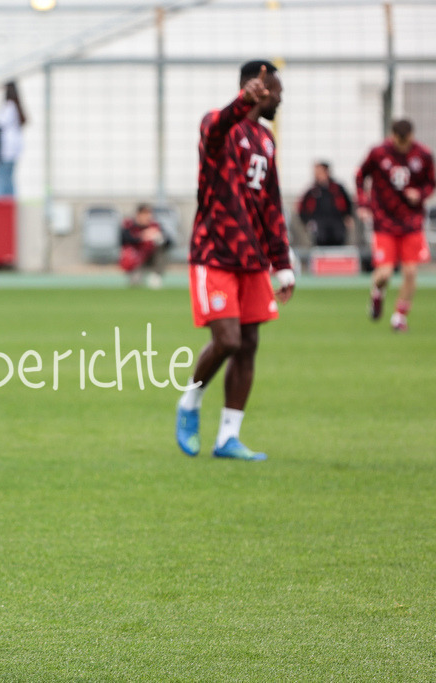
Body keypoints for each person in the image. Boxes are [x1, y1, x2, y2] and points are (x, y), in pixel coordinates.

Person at [175, 61, 296, 462]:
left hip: (253, 259)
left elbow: (271, 205)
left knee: (249, 346)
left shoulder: (266, 140)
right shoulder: (219, 127)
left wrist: (282, 262)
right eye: (275, 89)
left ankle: (228, 436)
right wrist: (241, 102)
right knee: (227, 339)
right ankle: (189, 404)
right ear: (254, 88)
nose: (280, 97)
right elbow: (215, 125)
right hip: (214, 254)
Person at [355, 118, 434, 332]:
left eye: (405, 141)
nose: (401, 146)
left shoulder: (423, 154)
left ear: (411, 136)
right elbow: (360, 175)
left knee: (410, 272)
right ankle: (377, 293)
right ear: (392, 136)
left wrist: (420, 194)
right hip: (384, 221)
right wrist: (363, 204)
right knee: (385, 273)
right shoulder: (379, 153)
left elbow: (431, 182)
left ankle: (399, 317)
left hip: (411, 222)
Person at [297, 161, 354, 247]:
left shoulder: (337, 188)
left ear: (326, 172)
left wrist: (348, 216)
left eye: (319, 171)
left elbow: (348, 203)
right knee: (320, 236)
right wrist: (306, 221)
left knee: (338, 236)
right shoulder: (312, 191)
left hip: (337, 223)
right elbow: (301, 208)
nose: (316, 174)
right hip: (319, 225)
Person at [119, 203, 170, 288]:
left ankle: (156, 275)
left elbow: (169, 242)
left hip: (150, 258)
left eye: (149, 214)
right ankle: (135, 276)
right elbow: (124, 239)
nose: (147, 217)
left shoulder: (154, 226)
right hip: (136, 261)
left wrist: (159, 237)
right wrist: (143, 236)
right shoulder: (130, 225)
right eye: (144, 214)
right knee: (135, 283)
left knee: (161, 249)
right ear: (138, 215)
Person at [0, 81, 26, 198]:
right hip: (14, 149)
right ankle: (10, 202)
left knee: (3, 178)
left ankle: (3, 205)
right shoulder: (16, 106)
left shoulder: (9, 106)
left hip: (7, 149)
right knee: (9, 177)